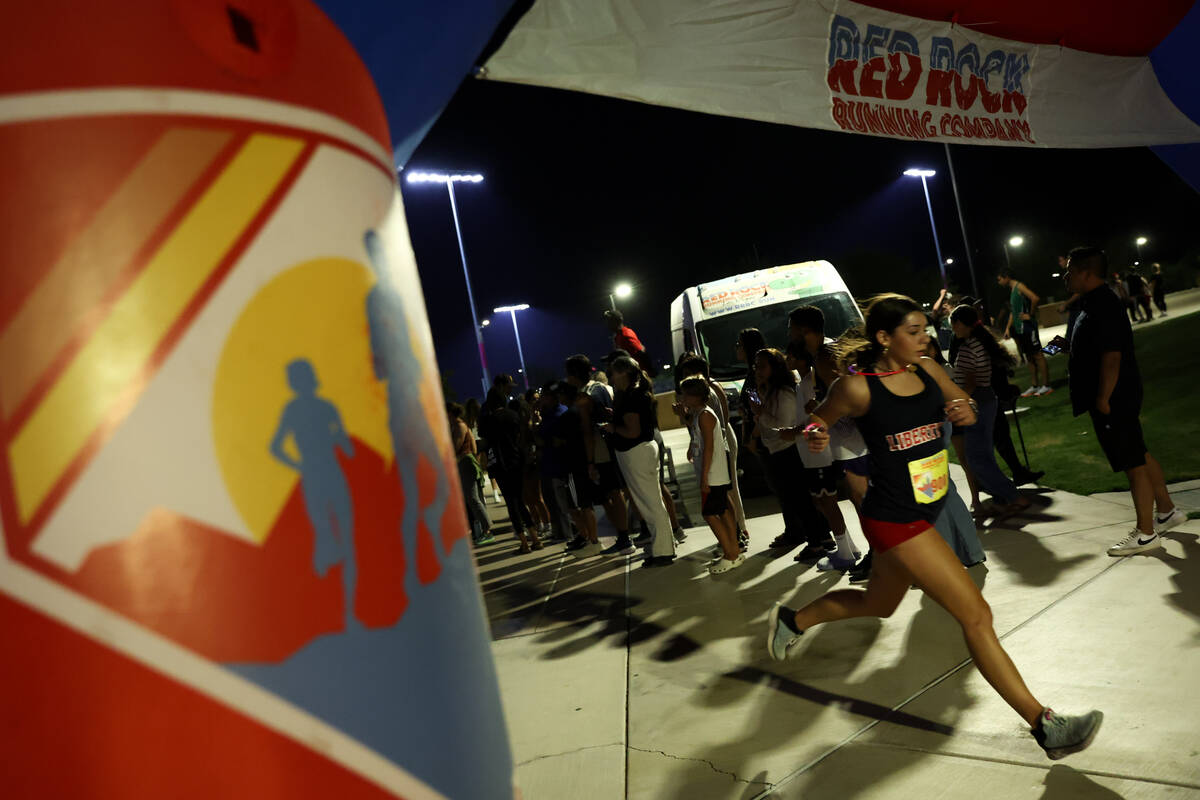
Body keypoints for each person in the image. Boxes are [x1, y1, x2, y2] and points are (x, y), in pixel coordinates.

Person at [765, 294, 1104, 760]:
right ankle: (1046, 725)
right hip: (895, 519)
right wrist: (816, 434)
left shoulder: (926, 368)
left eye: (925, 328)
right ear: (884, 338)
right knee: (976, 615)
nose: (925, 337)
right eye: (913, 331)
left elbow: (960, 401)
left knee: (879, 604)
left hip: (926, 507)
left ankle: (793, 619)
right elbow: (815, 422)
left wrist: (963, 410)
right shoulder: (858, 387)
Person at [1063, 247, 1183, 555]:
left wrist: (1103, 397)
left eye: (1070, 270)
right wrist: (1066, 347)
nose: (1066, 275)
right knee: (1138, 452)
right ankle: (1167, 511)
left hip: (1114, 396)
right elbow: (1094, 348)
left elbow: (1112, 356)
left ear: (1086, 273)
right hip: (1115, 395)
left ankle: (1145, 534)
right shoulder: (1092, 302)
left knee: (1131, 463)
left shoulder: (1103, 303)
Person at [780, 343, 859, 571]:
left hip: (821, 453)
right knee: (821, 501)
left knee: (827, 500)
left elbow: (815, 419)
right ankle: (847, 546)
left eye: (792, 357)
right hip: (812, 452)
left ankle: (846, 551)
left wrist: (792, 432)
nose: (788, 361)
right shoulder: (804, 383)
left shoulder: (813, 384)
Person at [750, 347, 834, 560]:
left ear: (775, 367)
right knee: (802, 498)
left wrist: (761, 414)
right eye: (755, 366)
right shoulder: (772, 391)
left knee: (801, 499)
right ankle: (823, 538)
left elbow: (785, 425)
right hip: (779, 450)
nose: (757, 370)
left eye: (762, 366)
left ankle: (817, 543)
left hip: (787, 451)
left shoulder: (785, 392)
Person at [949, 305, 1032, 517]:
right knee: (983, 456)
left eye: (953, 323)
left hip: (977, 404)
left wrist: (957, 401)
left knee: (976, 458)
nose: (952, 328)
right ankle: (1004, 498)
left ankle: (1013, 496)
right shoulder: (976, 343)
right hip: (984, 402)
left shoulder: (970, 347)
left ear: (961, 323)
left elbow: (970, 382)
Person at [602, 356, 676, 567]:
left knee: (650, 504)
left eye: (613, 373)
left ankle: (663, 551)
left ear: (623, 373)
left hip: (637, 452)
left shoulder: (632, 395)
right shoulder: (634, 392)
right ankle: (662, 546)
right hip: (639, 451)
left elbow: (632, 431)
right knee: (651, 502)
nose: (611, 377)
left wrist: (613, 427)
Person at [676, 353, 750, 553]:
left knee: (717, 505)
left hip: (718, 454)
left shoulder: (708, 406)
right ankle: (735, 539)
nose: (682, 397)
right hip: (715, 454)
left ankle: (734, 544)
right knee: (725, 500)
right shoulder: (701, 410)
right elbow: (701, 434)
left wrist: (705, 476)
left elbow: (713, 436)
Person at [564, 354, 635, 555]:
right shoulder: (601, 387)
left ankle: (624, 537)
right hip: (614, 444)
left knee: (612, 493)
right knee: (615, 493)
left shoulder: (584, 397)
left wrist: (590, 461)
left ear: (574, 374)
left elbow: (587, 432)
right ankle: (625, 534)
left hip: (600, 450)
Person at [679, 377, 742, 574]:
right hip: (713, 472)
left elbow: (709, 448)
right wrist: (691, 447)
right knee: (722, 510)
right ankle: (734, 550)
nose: (682, 398)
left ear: (695, 396)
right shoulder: (699, 414)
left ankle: (730, 554)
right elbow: (701, 441)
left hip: (714, 473)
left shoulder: (705, 415)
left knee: (709, 514)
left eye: (685, 395)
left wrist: (705, 478)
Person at [478, 388, 542, 553]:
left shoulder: (488, 420)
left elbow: (485, 442)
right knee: (520, 501)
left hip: (500, 465)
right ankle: (535, 538)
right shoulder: (513, 415)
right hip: (516, 461)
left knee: (511, 504)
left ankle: (524, 543)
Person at [549, 382, 603, 556]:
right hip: (585, 461)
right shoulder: (581, 412)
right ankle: (592, 540)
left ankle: (592, 541)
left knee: (580, 505)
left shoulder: (567, 416)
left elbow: (558, 441)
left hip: (574, 464)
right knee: (587, 504)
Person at [998, 269, 1051, 397]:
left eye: (999, 279)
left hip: (1028, 327)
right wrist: (1007, 329)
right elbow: (1013, 312)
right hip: (1020, 328)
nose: (998, 282)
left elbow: (1035, 298)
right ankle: (1034, 385)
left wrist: (1030, 315)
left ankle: (1046, 385)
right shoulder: (1012, 290)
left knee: (1038, 355)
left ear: (1006, 277)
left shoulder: (1019, 286)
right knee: (1029, 357)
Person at [447, 402, 493, 545]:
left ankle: (487, 530)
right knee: (473, 498)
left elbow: (455, 447)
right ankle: (484, 529)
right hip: (466, 463)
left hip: (465, 463)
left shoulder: (459, 426)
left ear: (450, 413)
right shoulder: (459, 426)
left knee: (473, 498)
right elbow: (473, 447)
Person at [533, 385, 573, 542]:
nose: (541, 399)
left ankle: (565, 534)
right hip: (548, 464)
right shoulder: (548, 413)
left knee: (559, 502)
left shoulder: (558, 413)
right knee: (552, 500)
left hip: (556, 464)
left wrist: (540, 436)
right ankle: (559, 532)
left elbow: (549, 439)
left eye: (543, 396)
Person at [603, 309, 655, 375]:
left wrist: (645, 373)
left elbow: (641, 352)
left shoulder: (626, 334)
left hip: (637, 375)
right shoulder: (617, 336)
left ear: (616, 321)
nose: (607, 323)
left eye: (609, 321)